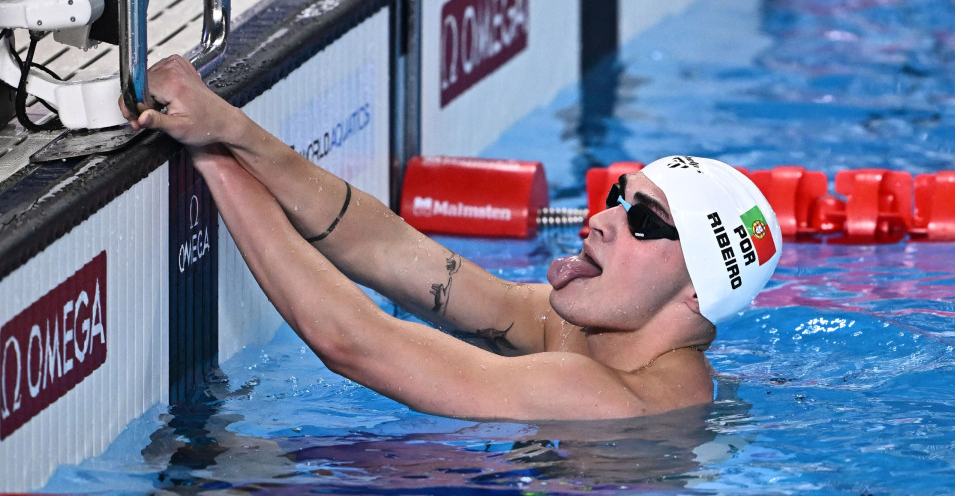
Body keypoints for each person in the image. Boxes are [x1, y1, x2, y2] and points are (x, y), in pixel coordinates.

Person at [121, 55, 782, 421]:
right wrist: (231, 128)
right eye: (618, 195)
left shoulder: (615, 400)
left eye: (643, 221)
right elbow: (389, 249)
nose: (602, 217)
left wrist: (205, 151)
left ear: (697, 292)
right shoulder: (571, 332)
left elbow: (354, 342)